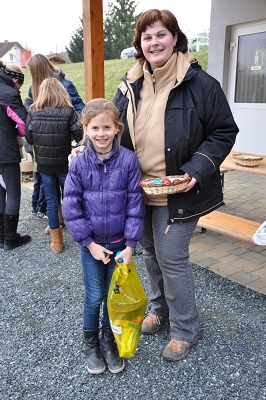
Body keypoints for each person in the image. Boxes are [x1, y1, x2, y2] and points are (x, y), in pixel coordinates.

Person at [70, 9, 239, 362]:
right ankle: (160, 310)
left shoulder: (201, 84)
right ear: (140, 45)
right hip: (137, 191)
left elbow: (224, 131)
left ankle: (185, 329)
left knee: (172, 257)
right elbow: (109, 128)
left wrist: (197, 168)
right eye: (147, 37)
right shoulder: (130, 84)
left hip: (180, 190)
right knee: (149, 254)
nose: (154, 42)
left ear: (175, 38)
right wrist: (85, 152)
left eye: (160, 34)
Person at [62, 98, 145, 375]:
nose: (101, 133)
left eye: (107, 127)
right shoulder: (78, 164)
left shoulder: (129, 160)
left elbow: (135, 204)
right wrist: (89, 243)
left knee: (112, 297)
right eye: (95, 127)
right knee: (94, 297)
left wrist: (131, 244)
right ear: (85, 129)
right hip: (93, 246)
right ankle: (91, 344)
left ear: (117, 128)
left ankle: (109, 342)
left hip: (120, 244)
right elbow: (71, 207)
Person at [24, 53, 85, 230]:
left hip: (44, 164)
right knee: (70, 197)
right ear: (60, 91)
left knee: (51, 200)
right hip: (63, 162)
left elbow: (29, 137)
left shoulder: (34, 111)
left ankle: (56, 239)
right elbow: (78, 134)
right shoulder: (67, 111)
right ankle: (77, 231)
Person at [0, 60, 31, 250]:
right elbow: (23, 123)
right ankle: (10, 238)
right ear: (15, 79)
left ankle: (2, 235)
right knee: (13, 192)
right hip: (5, 149)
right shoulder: (9, 93)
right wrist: (19, 135)